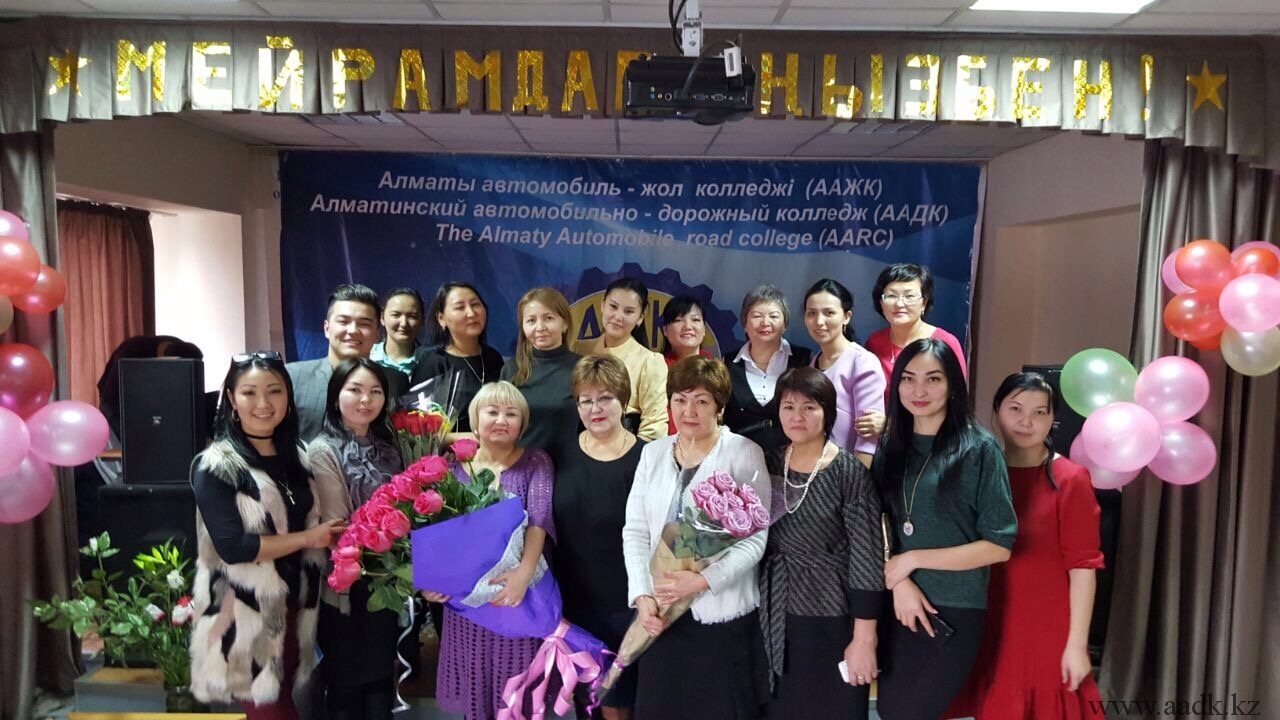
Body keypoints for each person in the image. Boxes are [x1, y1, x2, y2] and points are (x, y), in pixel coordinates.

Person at [189, 351, 347, 720]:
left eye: (274, 391)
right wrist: (308, 539)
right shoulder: (216, 465)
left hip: (295, 606)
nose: (263, 404)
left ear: (288, 396)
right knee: (271, 711)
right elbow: (234, 547)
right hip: (244, 612)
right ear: (232, 399)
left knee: (288, 699)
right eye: (249, 393)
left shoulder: (298, 454)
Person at [871, 338, 1017, 720]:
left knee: (910, 712)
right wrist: (899, 581)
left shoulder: (979, 449)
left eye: (933, 379)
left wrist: (913, 559)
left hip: (953, 607)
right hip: (896, 601)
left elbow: (998, 545)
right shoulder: (892, 446)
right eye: (908, 378)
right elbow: (877, 523)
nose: (919, 390)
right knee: (889, 709)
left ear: (953, 385)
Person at [949, 372, 1105, 719]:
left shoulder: (1070, 478)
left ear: (1052, 419)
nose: (1026, 422)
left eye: (1039, 412)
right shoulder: (978, 471)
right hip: (986, 611)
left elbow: (1083, 568)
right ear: (997, 411)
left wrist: (1077, 644)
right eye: (1016, 409)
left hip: (1044, 623)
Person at [622, 356, 768, 719]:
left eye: (701, 401)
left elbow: (755, 540)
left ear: (719, 407)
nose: (689, 411)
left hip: (721, 616)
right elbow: (636, 530)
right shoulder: (653, 453)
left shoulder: (743, 453)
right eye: (680, 399)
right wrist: (642, 595)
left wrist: (703, 580)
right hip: (661, 615)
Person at [422, 381, 555, 720]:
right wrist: (431, 582)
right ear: (475, 421)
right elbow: (434, 529)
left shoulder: (536, 462)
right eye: (492, 412)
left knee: (517, 698)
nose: (501, 420)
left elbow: (538, 521)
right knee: (475, 695)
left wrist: (523, 574)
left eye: (511, 414)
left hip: (515, 595)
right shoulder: (452, 466)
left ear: (522, 424)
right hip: (466, 602)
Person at [759, 367, 883, 720]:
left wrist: (864, 638)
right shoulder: (768, 463)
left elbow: (868, 559)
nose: (797, 416)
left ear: (828, 412)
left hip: (830, 614)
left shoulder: (848, 473)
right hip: (773, 611)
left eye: (809, 407)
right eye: (788, 406)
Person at [307, 358, 403, 720]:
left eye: (375, 392)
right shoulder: (322, 449)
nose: (366, 400)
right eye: (355, 390)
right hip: (346, 584)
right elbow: (338, 526)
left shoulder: (390, 445)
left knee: (380, 682)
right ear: (336, 397)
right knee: (346, 686)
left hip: (387, 581)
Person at [553, 355, 646, 720]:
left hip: (630, 604)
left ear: (624, 399)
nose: (595, 409)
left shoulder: (649, 456)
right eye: (585, 400)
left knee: (619, 704)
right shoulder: (559, 453)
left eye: (605, 398)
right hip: (574, 603)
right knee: (585, 702)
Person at [288, 284, 410, 442]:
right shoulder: (293, 377)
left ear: (377, 334)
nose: (353, 330)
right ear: (326, 328)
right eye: (343, 322)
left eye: (364, 324)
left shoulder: (395, 381)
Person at [572, 278, 668, 441]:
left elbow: (655, 426)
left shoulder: (649, 362)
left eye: (628, 311)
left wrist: (630, 453)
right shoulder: (578, 349)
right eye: (613, 307)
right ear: (602, 305)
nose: (618, 316)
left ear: (640, 317)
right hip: (577, 444)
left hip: (626, 447)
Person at [802, 279, 885, 466]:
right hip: (814, 470)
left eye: (829, 313)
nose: (819, 321)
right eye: (811, 313)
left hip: (847, 472)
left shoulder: (862, 362)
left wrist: (855, 480)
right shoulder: (813, 363)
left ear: (846, 317)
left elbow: (867, 437)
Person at [723, 285, 811, 456]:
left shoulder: (804, 360)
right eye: (757, 316)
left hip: (794, 459)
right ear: (744, 324)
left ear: (785, 325)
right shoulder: (727, 363)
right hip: (738, 459)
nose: (765, 322)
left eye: (774, 316)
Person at [410, 282, 504, 434]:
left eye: (475, 304)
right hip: (452, 449)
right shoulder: (434, 363)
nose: (471, 313)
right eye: (460, 307)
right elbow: (418, 431)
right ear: (441, 318)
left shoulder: (493, 357)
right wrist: (469, 439)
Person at [500, 287, 581, 463]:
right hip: (520, 467)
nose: (540, 327)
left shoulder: (582, 369)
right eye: (531, 320)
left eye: (548, 318)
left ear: (565, 323)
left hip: (568, 467)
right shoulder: (511, 369)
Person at [864, 263, 967, 386]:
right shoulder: (874, 342)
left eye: (909, 296)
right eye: (891, 296)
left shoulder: (945, 342)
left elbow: (958, 392)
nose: (899, 304)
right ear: (880, 302)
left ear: (924, 302)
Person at [660, 295, 712, 436]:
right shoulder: (656, 367)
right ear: (665, 330)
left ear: (704, 329)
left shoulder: (715, 367)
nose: (688, 327)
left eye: (695, 320)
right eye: (678, 320)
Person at [370, 287, 425, 378]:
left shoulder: (431, 362)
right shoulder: (368, 355)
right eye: (395, 315)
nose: (404, 323)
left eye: (412, 316)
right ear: (382, 318)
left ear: (422, 320)